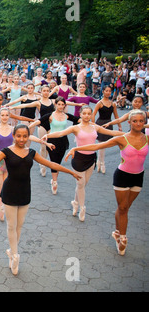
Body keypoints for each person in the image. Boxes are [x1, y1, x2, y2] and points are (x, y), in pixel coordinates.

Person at [0, 124, 80, 276]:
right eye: (19, 136)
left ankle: (11, 250)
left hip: (25, 192)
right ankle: (15, 255)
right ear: (13, 136)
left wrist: (70, 172)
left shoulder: (32, 152)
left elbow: (51, 164)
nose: (21, 139)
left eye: (25, 136)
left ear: (28, 138)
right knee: (11, 225)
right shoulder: (5, 152)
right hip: (9, 192)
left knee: (19, 226)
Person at [65, 110, 148, 255]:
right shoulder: (123, 138)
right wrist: (76, 148)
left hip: (138, 176)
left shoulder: (146, 138)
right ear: (129, 122)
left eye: (141, 121)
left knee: (126, 207)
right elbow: (97, 147)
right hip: (122, 176)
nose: (138, 123)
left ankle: (117, 231)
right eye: (135, 121)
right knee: (122, 207)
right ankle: (122, 237)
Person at [43, 105, 124, 221]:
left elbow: (112, 133)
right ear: (80, 115)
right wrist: (48, 135)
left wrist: (127, 134)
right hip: (78, 158)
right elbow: (61, 133)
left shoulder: (95, 127)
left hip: (91, 159)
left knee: (82, 185)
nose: (86, 116)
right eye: (84, 113)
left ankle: (75, 202)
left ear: (91, 115)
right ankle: (82, 208)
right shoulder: (76, 128)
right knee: (80, 185)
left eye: (88, 114)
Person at [29, 97, 80, 194]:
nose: (61, 106)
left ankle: (54, 178)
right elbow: (38, 121)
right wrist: (27, 127)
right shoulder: (50, 115)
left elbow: (78, 120)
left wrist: (90, 124)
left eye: (62, 104)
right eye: (59, 104)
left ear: (64, 105)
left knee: (58, 162)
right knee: (53, 161)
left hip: (63, 141)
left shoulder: (67, 116)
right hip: (52, 141)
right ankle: (55, 182)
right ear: (55, 105)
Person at [92, 85, 122, 173]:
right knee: (102, 144)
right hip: (100, 124)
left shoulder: (113, 104)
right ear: (103, 91)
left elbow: (116, 116)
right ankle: (102, 163)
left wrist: (119, 126)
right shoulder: (100, 103)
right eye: (106, 91)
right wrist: (93, 125)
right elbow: (93, 114)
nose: (108, 92)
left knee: (104, 144)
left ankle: (99, 161)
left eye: (109, 91)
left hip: (109, 124)